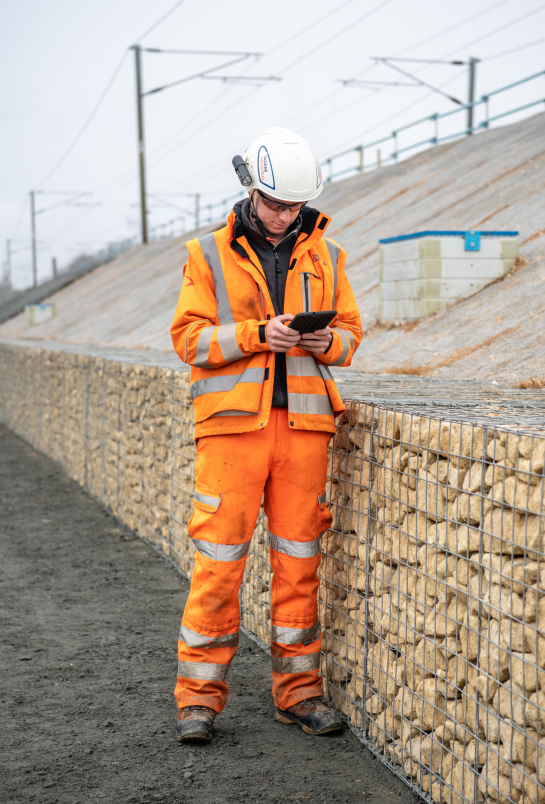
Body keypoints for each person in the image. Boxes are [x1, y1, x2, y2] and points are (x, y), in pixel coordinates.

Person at [170, 126, 362, 742]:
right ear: (251, 188)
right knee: (219, 564)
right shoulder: (206, 255)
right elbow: (188, 339)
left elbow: (353, 335)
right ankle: (198, 701)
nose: (285, 216)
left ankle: (299, 695)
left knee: (299, 563)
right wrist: (258, 335)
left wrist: (321, 340)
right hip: (231, 433)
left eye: (296, 206)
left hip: (304, 429)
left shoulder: (328, 256)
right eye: (276, 204)